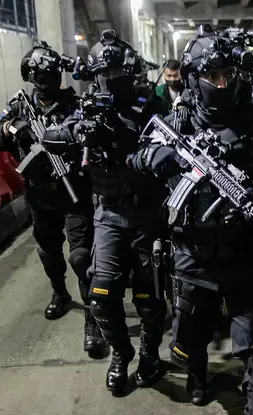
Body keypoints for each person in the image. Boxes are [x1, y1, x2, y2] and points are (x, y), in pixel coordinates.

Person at [130, 29, 253, 415]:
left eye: (228, 74)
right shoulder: (178, 120)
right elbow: (136, 159)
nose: (222, 84)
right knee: (187, 345)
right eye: (212, 76)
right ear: (193, 78)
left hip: (247, 258)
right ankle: (199, 374)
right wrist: (154, 158)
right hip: (193, 258)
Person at [44, 30, 169, 395]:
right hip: (108, 216)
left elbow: (168, 146)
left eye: (117, 73)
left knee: (149, 298)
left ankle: (149, 353)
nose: (111, 80)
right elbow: (51, 137)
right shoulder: (87, 107)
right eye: (104, 73)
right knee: (101, 295)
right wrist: (78, 132)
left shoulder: (149, 105)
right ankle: (121, 352)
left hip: (145, 217)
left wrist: (130, 144)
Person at [0, 41, 106, 359]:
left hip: (74, 192)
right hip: (39, 195)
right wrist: (11, 129)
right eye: (38, 73)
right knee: (49, 252)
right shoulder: (20, 107)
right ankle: (60, 293)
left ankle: (93, 323)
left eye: (48, 73)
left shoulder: (75, 105)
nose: (44, 79)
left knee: (81, 258)